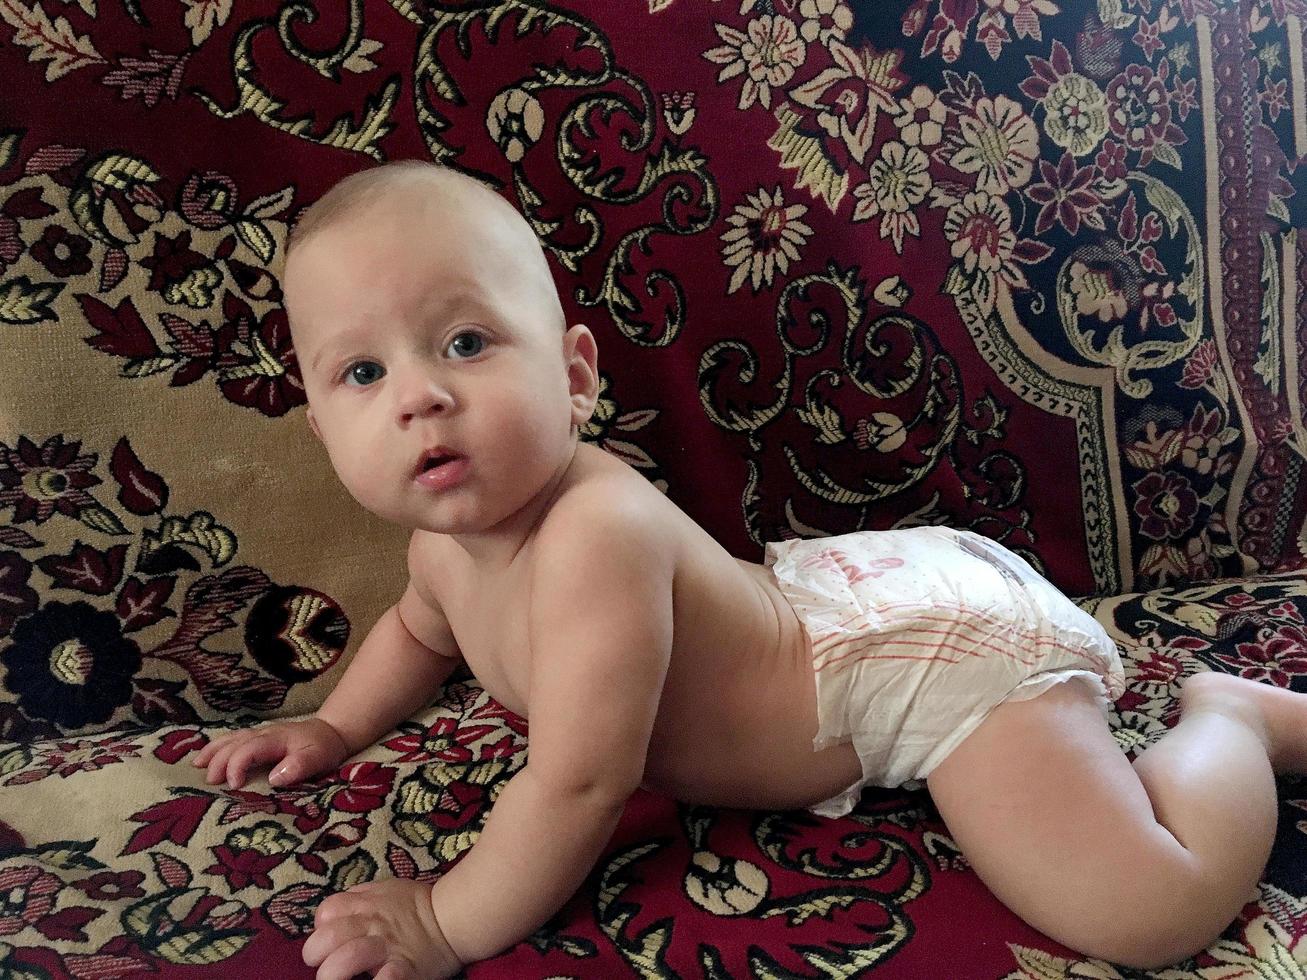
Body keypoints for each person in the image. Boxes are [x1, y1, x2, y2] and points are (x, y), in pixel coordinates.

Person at [193, 160, 1304, 979]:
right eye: (361, 370)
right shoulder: (439, 545)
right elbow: (416, 631)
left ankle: (1226, 721)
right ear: (320, 431)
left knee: (1144, 906)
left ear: (574, 375)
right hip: (846, 602)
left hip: (925, 664)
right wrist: (334, 727)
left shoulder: (593, 534)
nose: (419, 395)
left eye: (467, 343)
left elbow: (579, 782)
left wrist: (445, 919)